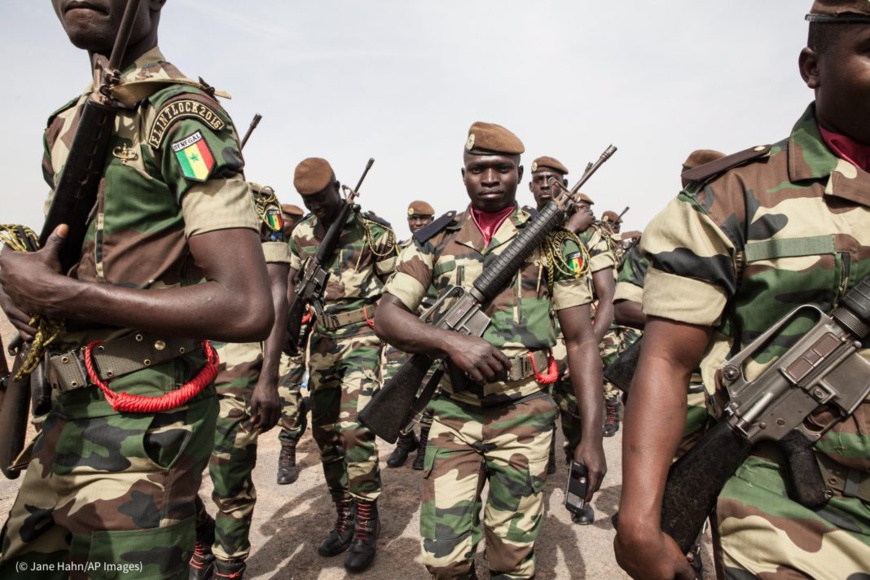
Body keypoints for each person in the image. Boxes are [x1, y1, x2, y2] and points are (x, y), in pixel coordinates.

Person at [0, 1, 272, 578]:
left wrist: (64, 298)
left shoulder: (179, 115)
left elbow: (247, 304)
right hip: (67, 411)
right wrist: (25, 286)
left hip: (144, 416)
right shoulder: (65, 124)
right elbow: (73, 258)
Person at [615, 3, 870, 578]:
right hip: (793, 506)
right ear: (813, 66)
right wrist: (638, 521)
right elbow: (664, 355)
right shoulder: (736, 195)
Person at [375, 122, 606, 579]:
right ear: (463, 174)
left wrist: (592, 437)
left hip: (524, 412)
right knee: (442, 561)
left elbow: (581, 341)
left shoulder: (555, 243)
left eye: (503, 168)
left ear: (520, 174)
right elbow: (387, 315)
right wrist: (449, 341)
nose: (490, 177)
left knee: (512, 562)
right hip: (452, 412)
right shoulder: (438, 240)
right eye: (478, 169)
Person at [288, 157, 398, 573]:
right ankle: (344, 513)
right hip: (323, 339)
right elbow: (292, 287)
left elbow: (400, 292)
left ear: (339, 186)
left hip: (365, 337)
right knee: (325, 432)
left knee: (354, 429)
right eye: (306, 201)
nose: (315, 206)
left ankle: (367, 521)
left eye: (321, 198)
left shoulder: (374, 232)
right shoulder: (300, 234)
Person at [189, 184, 289, 580]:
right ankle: (201, 534)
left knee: (229, 469)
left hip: (237, 359)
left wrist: (268, 376)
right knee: (168, 470)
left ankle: (229, 563)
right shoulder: (165, 201)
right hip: (178, 357)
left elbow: (278, 290)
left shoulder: (258, 203)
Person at [386, 199, 436, 470]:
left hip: (431, 330)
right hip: (403, 330)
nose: (418, 224)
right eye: (413, 220)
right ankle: (406, 439)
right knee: (395, 386)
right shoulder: (401, 250)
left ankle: (426, 442)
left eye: (423, 219)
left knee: (429, 388)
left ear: (433, 220)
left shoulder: (440, 248)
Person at [276, 202, 310, 486]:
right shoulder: (264, 245)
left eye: (292, 220)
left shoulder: (306, 246)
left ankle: (288, 444)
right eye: (284, 219)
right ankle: (287, 445)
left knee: (289, 390)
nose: (287, 224)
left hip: (299, 327)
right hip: (267, 327)